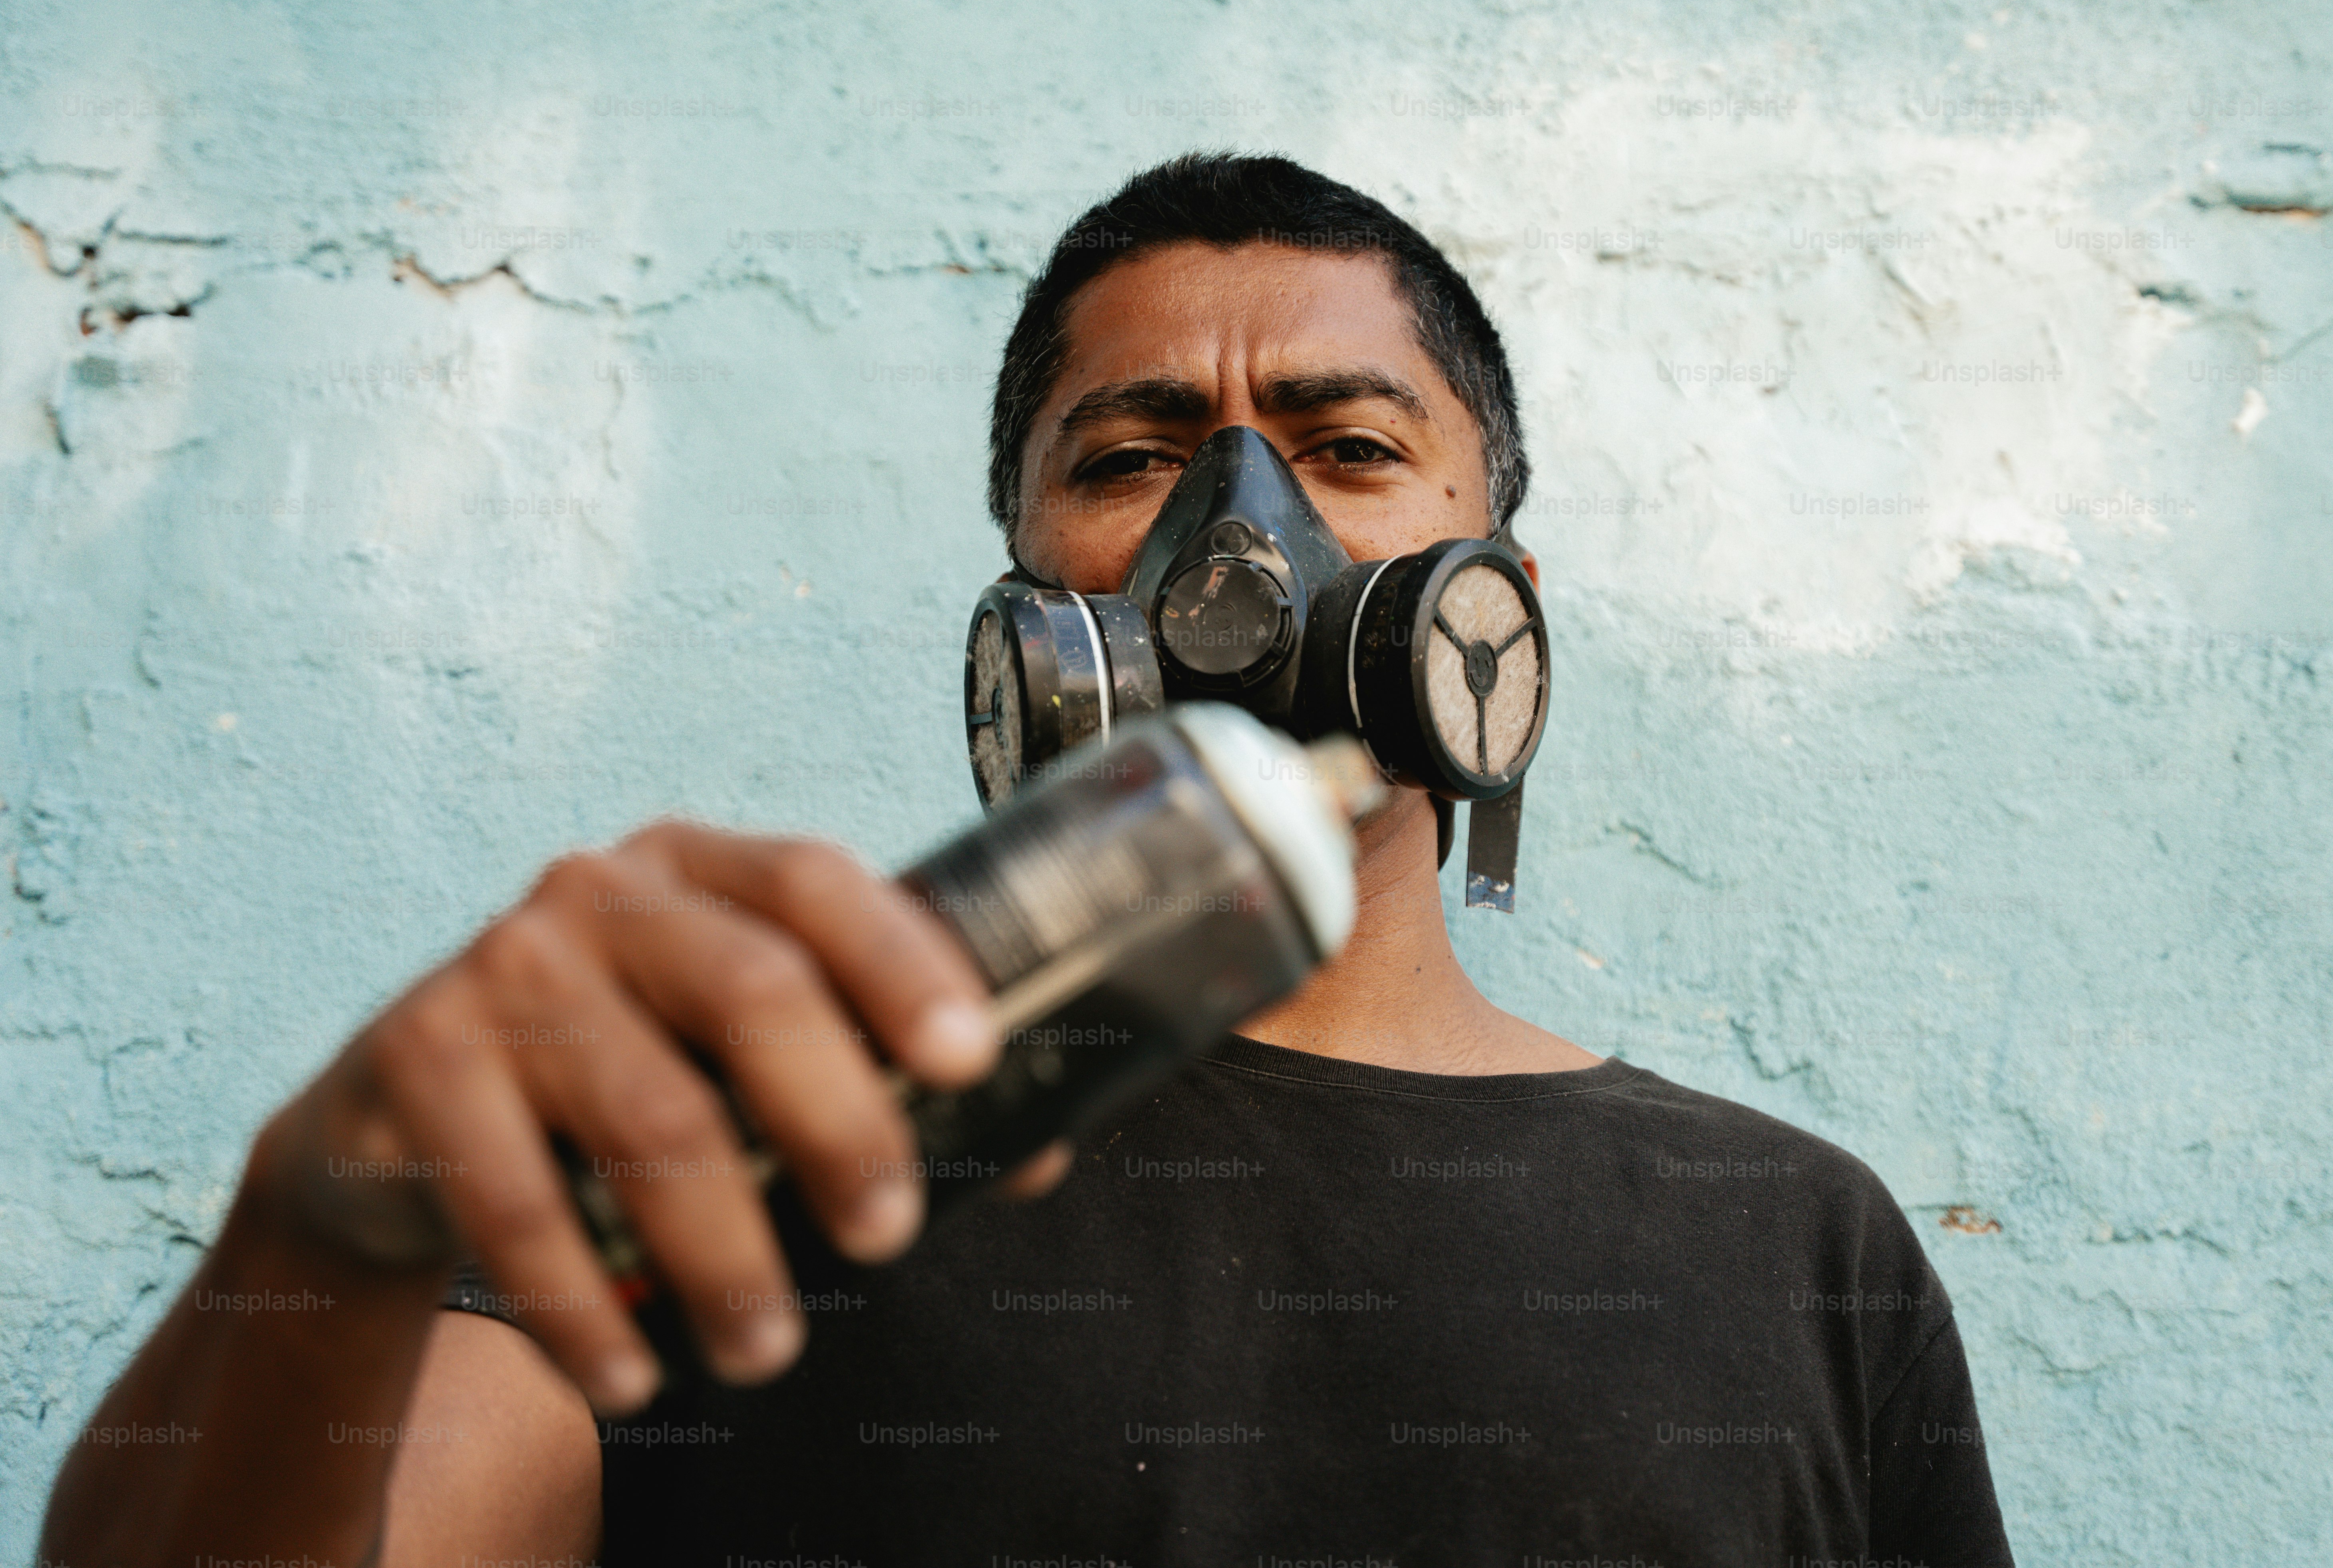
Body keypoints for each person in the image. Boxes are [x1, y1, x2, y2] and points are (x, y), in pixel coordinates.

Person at [44, 153, 2012, 1566]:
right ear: (1024, 606)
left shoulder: (1793, 1246)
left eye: (1343, 445)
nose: (1240, 535)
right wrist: (319, 1231)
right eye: (1133, 454)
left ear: (1489, 586)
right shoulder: (738, 1158)